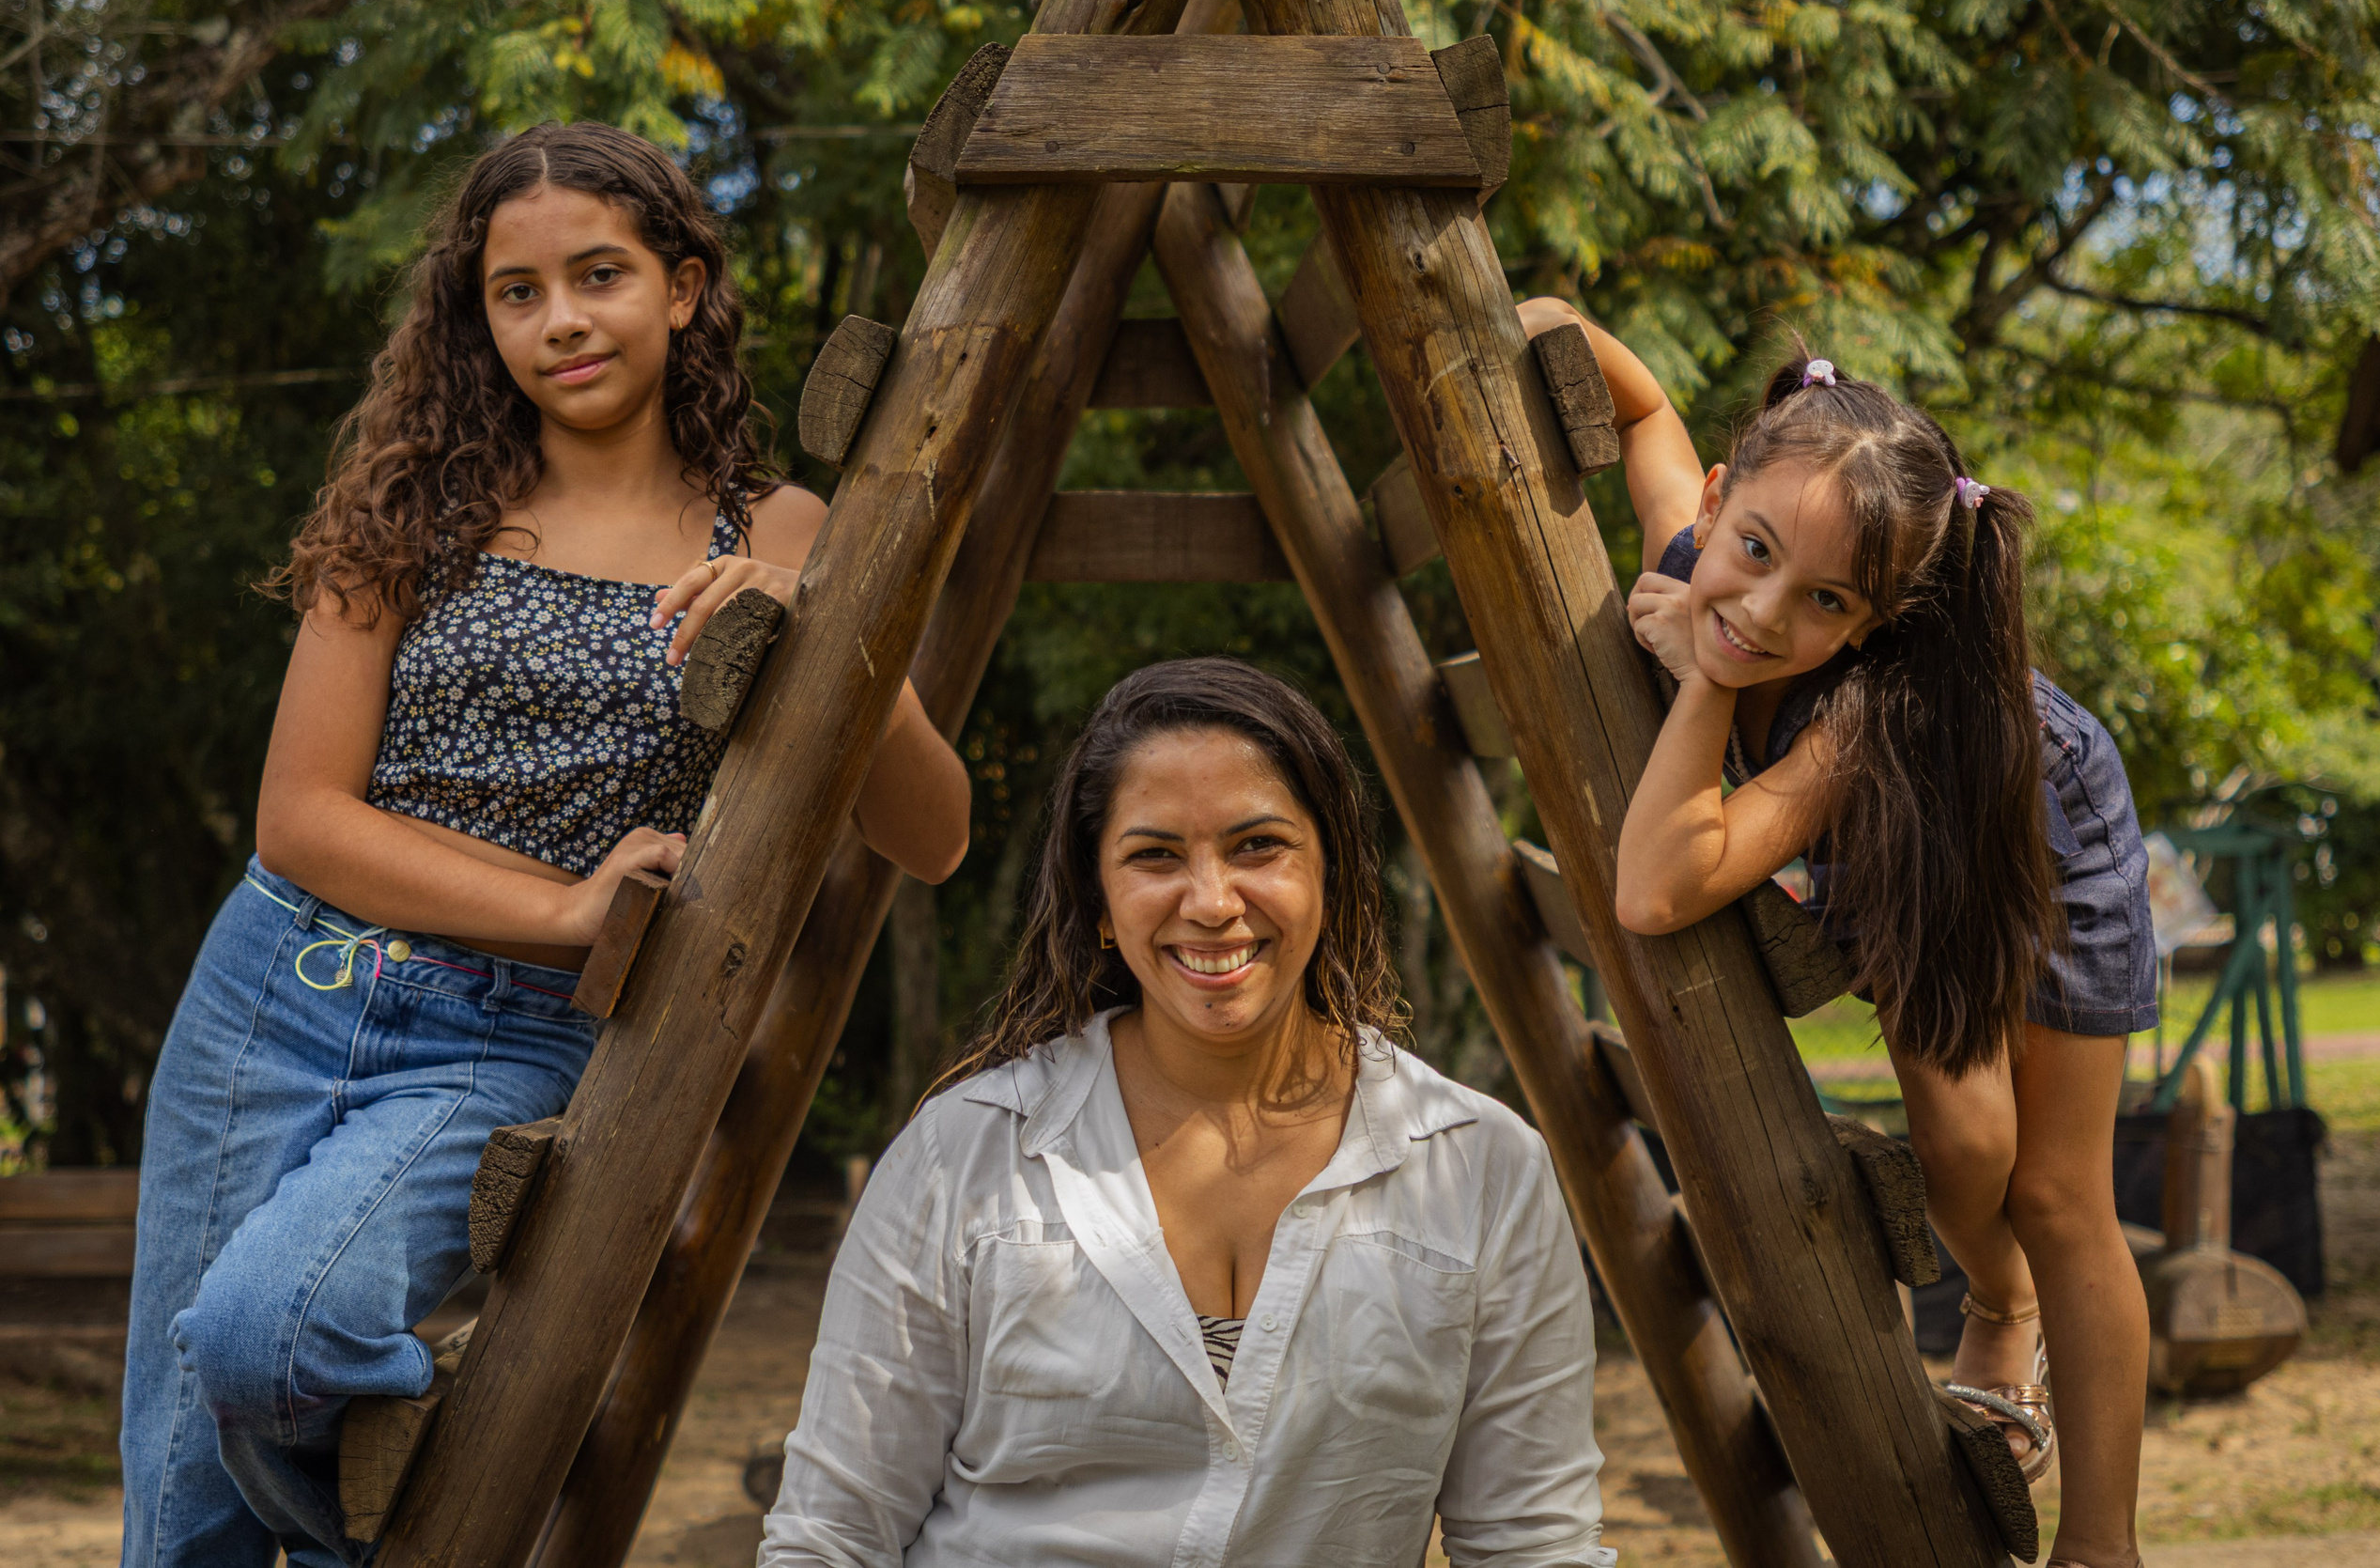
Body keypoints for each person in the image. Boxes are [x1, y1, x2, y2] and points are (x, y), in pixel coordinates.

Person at [119, 121, 971, 1568]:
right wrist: (569, 905)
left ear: (683, 287)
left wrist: (818, 628)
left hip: (505, 1040)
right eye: (519, 292)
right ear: (481, 314)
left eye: (599, 275)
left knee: (268, 1337)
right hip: (276, 988)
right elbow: (305, 816)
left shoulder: (776, 524)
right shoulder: (412, 504)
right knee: (183, 1500)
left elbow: (932, 832)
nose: (561, 320)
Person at [1522, 301, 2151, 1568]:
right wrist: (1537, 319)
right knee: (1963, 1147)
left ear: (1868, 624)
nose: (1757, 609)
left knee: (2053, 1184)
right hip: (1902, 843)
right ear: (1716, 495)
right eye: (1746, 546)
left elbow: (1656, 886)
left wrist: (1699, 668)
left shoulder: (1853, 717)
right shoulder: (1699, 551)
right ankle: (1999, 1293)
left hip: (2037, 812)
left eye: (1820, 599)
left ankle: (2103, 1538)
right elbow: (1641, 405)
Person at [761, 658, 1616, 1568]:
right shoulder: (962, 1160)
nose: (1211, 903)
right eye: (1155, 855)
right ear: (1096, 899)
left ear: (1329, 870)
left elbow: (1536, 1545)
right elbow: (832, 1536)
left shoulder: (1479, 1172)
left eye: (1257, 846)